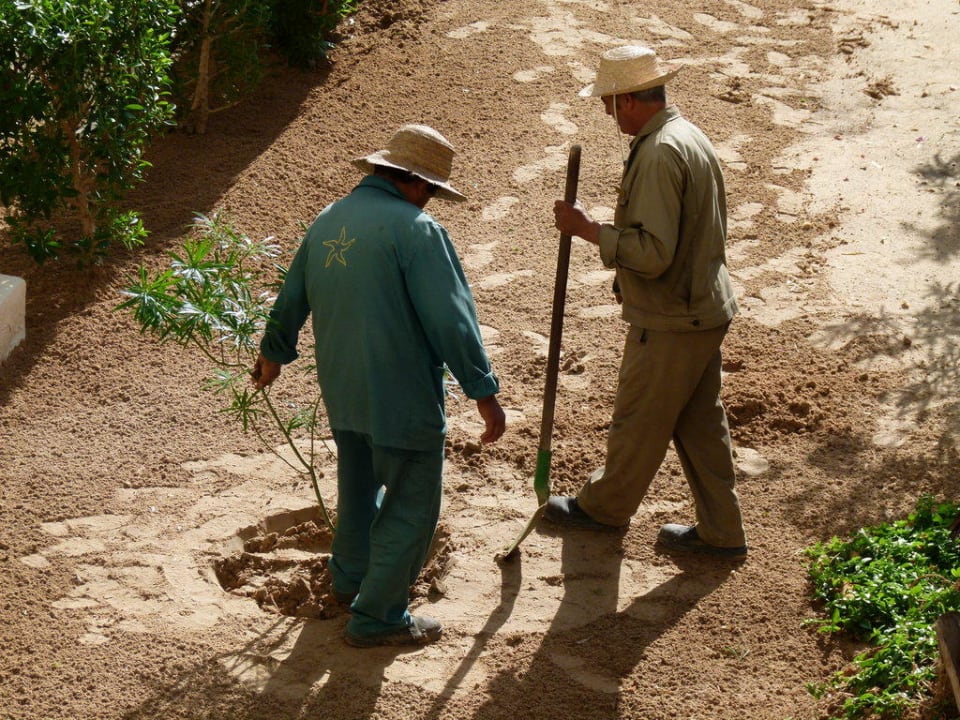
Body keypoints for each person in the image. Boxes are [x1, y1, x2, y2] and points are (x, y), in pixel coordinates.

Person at [251, 124, 506, 647]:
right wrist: (483, 392)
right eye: (431, 190)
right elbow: (451, 320)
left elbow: (291, 297)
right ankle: (380, 616)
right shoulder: (418, 230)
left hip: (344, 391)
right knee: (410, 504)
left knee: (358, 489)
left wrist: (271, 356)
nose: (429, 200)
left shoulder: (329, 218)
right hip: (402, 398)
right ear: (418, 182)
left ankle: (350, 580)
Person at [546, 45, 747, 558]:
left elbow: (654, 254)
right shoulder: (685, 134)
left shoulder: (659, 152)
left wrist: (589, 229)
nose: (606, 112)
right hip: (702, 306)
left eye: (608, 102)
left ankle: (603, 508)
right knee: (699, 425)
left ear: (630, 100)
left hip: (673, 316)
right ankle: (722, 532)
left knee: (638, 418)